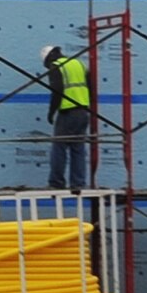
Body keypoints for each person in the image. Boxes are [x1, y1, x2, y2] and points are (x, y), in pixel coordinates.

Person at [41, 44, 92, 191]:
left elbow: (57, 91)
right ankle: (78, 183)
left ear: (49, 57)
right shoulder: (78, 63)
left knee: (59, 147)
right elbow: (91, 87)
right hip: (83, 111)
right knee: (78, 148)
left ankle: (56, 183)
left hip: (67, 112)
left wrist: (51, 112)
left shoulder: (56, 66)